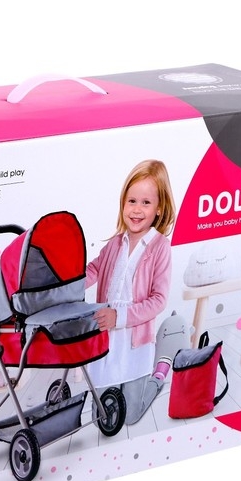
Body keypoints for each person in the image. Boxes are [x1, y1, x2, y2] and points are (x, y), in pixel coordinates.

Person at [85, 159, 175, 424]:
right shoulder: (115, 243)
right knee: (102, 417)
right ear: (123, 203)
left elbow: (159, 300)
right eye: (132, 201)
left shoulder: (160, 247)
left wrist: (120, 317)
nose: (137, 209)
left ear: (159, 208)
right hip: (107, 334)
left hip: (135, 337)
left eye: (146, 203)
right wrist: (66, 285)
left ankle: (158, 377)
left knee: (131, 416)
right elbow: (94, 269)